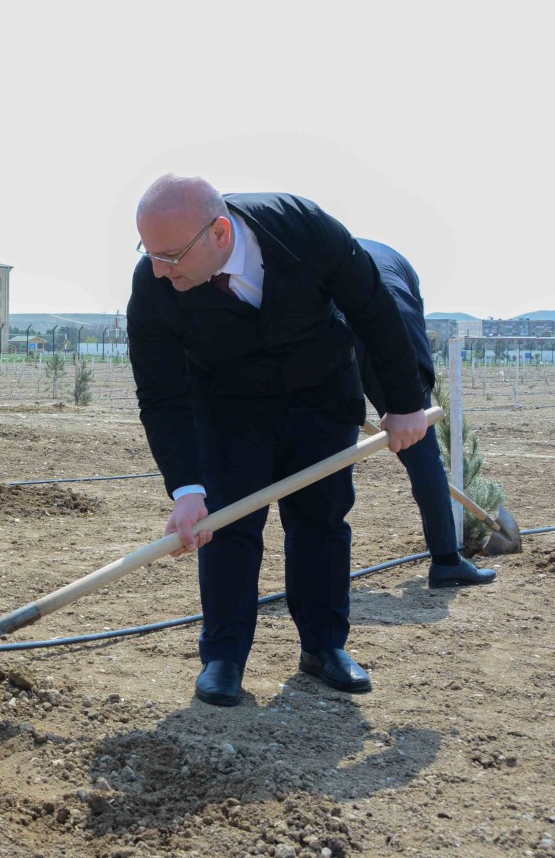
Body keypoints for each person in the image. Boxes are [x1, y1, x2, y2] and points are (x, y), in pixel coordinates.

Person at [127, 175, 430, 708]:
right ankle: (223, 657)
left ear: (219, 233)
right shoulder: (154, 284)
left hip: (320, 394)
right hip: (227, 408)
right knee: (229, 524)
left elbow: (373, 309)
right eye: (149, 253)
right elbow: (161, 392)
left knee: (321, 520)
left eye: (170, 256)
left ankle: (324, 647)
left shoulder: (302, 227)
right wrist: (186, 489)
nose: (157, 269)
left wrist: (404, 402)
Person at [352, 239, 495, 586]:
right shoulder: (396, 264)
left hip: (332, 331)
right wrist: (410, 405)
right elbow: (408, 321)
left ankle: (316, 568)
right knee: (423, 454)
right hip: (391, 333)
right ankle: (447, 561)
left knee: (324, 443)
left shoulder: (330, 250)